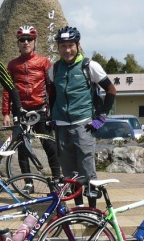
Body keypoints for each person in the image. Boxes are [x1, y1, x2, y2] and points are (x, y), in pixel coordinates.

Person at [46, 26, 118, 207]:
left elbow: (111, 90)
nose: (67, 50)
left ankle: (92, 209)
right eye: (62, 46)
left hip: (83, 124)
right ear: (58, 47)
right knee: (69, 172)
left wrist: (102, 116)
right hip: (61, 126)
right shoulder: (54, 69)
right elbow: (52, 95)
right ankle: (78, 207)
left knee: (87, 171)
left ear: (78, 45)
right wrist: (52, 116)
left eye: (70, 45)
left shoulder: (89, 66)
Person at [3, 25, 61, 177]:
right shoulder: (12, 64)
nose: (26, 42)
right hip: (20, 111)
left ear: (35, 42)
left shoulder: (44, 62)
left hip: (40, 110)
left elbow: (51, 87)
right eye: (22, 40)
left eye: (29, 39)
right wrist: (6, 113)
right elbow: (7, 89)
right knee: (22, 148)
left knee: (49, 146)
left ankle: (57, 178)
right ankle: (28, 181)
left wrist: (53, 110)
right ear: (18, 43)